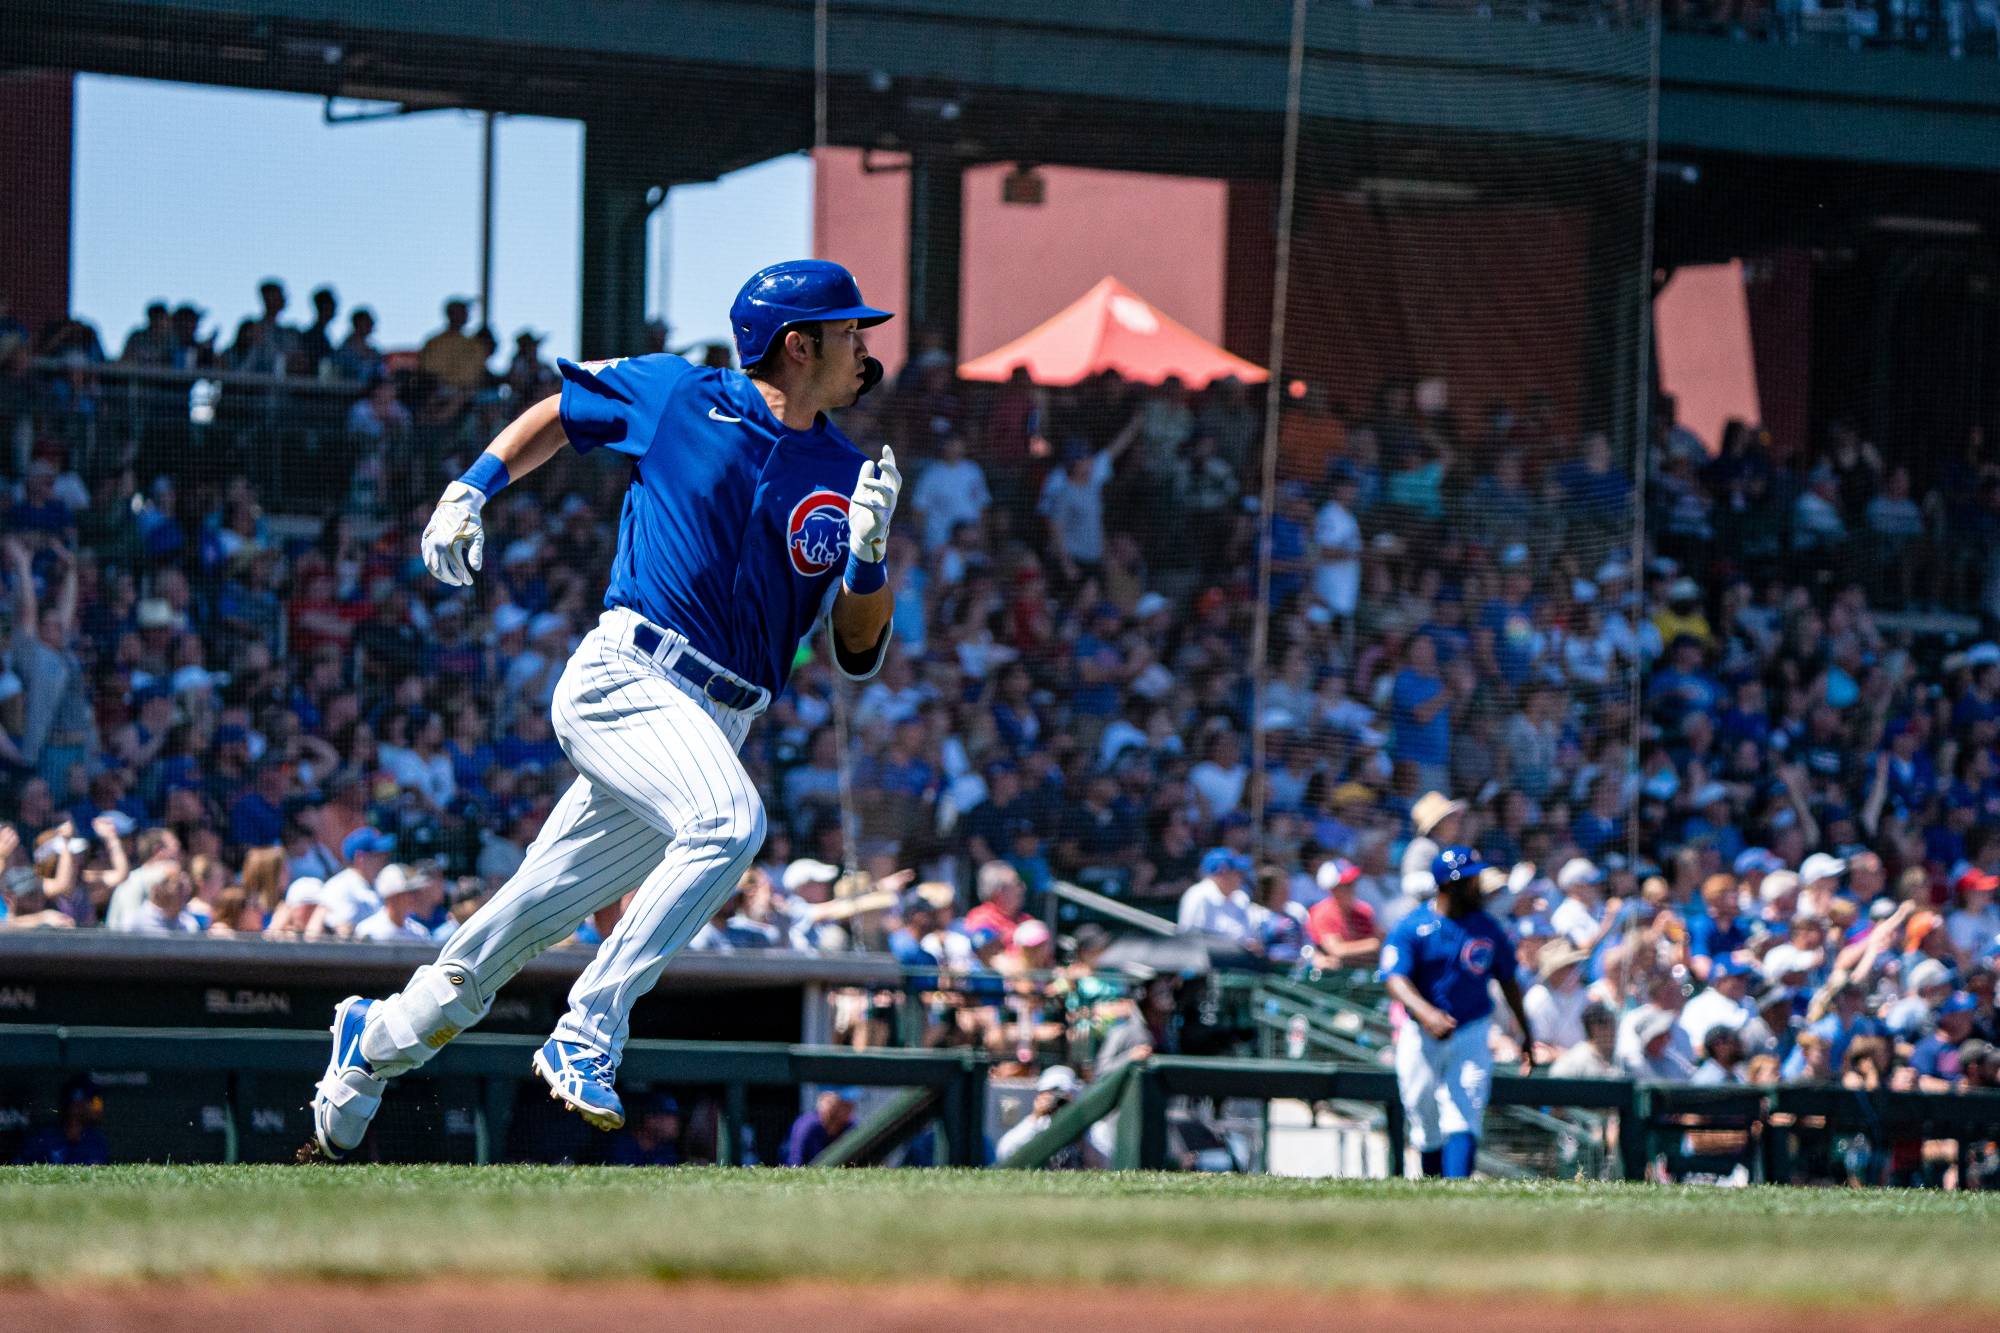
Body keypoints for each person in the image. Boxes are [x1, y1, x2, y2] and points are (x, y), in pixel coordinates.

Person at [306, 260, 901, 1161]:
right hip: (626, 677)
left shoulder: (849, 471)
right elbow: (562, 409)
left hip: (714, 720)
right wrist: (470, 488)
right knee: (729, 819)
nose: (866, 344)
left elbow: (857, 651)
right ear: (798, 344)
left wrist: (867, 560)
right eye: (852, 329)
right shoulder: (677, 392)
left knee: (516, 926)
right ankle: (589, 1029)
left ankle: (372, 1047)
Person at [1380, 848, 1534, 1179]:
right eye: (1470, 880)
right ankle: (1434, 1188)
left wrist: (1526, 1033)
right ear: (1449, 885)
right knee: (1424, 1111)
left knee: (1465, 1109)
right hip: (1421, 1033)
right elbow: (1394, 978)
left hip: (1472, 1030)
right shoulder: (1414, 926)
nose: (1477, 886)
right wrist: (1426, 1013)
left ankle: (1458, 1189)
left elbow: (1508, 981)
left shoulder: (1486, 928)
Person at [993, 1065, 1100, 1168]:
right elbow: (1004, 1153)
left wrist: (1079, 1134)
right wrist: (1035, 1117)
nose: (1059, 1101)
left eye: (1064, 1095)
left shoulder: (1087, 1127)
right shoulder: (1036, 1125)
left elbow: (1106, 1164)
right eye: (1052, 1093)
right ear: (1039, 1096)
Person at [1175, 848, 1257, 946]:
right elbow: (1191, 940)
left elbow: (1249, 936)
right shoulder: (1199, 895)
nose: (1241, 877)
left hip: (1239, 957)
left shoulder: (1241, 897)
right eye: (1237, 873)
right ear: (1222, 872)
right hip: (1208, 958)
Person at [604, 1092, 684, 1167]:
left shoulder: (667, 1150)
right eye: (669, 1117)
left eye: (676, 1118)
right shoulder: (621, 1147)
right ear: (650, 1119)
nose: (675, 1124)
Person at [782, 1087, 858, 1165]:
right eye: (842, 1104)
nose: (848, 1109)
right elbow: (794, 1163)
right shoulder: (808, 1126)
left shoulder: (850, 1127)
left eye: (849, 1105)